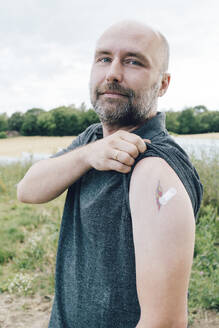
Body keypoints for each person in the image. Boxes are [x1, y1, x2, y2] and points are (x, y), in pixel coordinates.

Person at [17, 21, 203, 328]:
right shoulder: (92, 141)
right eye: (104, 58)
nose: (112, 73)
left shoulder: (153, 167)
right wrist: (89, 155)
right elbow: (26, 190)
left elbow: (164, 322)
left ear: (163, 84)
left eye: (133, 61)